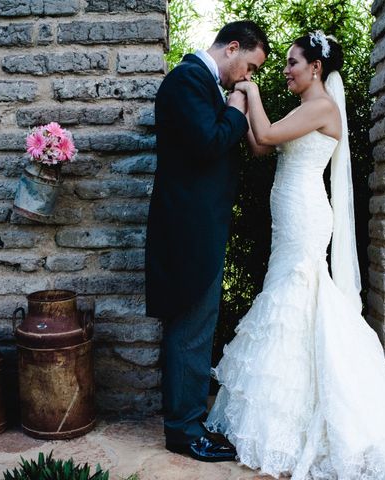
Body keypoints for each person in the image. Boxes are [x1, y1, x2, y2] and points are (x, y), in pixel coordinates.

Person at [205, 31, 385, 478]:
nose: (286, 70)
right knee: (289, 294)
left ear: (316, 68)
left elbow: (269, 132)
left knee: (299, 294)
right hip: (289, 211)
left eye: (293, 62)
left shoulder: (322, 108)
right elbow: (261, 144)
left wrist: (249, 90)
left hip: (305, 213)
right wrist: (239, 106)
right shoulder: (304, 108)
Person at [145, 21, 270, 462]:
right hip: (187, 232)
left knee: (195, 327)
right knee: (190, 330)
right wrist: (236, 106)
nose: (248, 76)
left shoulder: (201, 82)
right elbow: (208, 142)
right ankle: (183, 431)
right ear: (233, 48)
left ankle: (190, 421)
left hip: (199, 228)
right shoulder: (186, 80)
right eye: (250, 65)